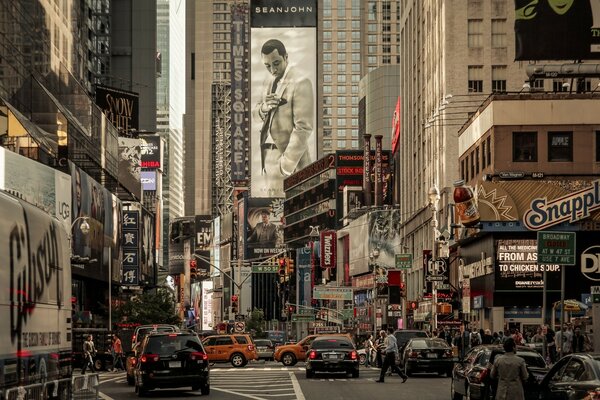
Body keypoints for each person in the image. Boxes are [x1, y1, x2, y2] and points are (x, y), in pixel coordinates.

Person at [253, 39, 314, 197]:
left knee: (291, 213)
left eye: (276, 63)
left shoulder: (301, 82)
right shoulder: (268, 81)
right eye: (267, 66)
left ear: (286, 57)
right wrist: (264, 107)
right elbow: (255, 114)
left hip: (291, 164)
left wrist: (285, 167)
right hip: (267, 160)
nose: (272, 70)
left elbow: (304, 128)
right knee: (273, 212)